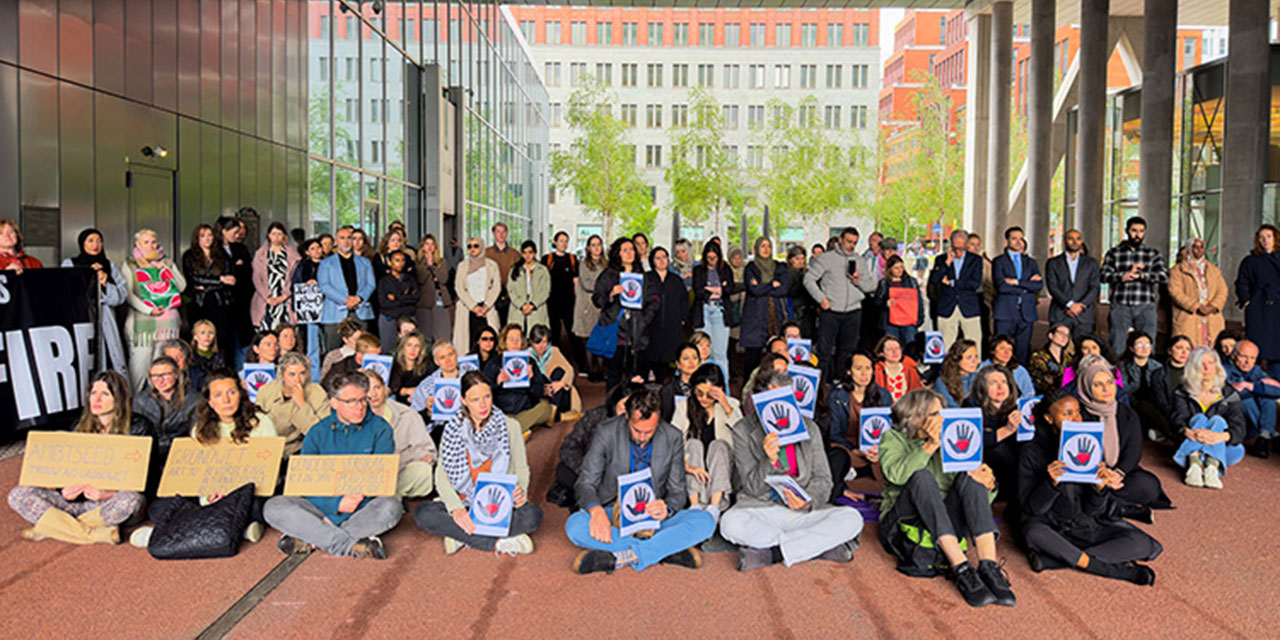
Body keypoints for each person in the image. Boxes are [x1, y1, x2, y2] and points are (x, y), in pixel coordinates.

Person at [878, 388, 1012, 608]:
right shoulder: (892, 438)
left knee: (970, 477)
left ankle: (989, 566)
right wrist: (930, 445)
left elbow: (973, 499)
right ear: (916, 416)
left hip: (943, 519)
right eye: (934, 414)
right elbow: (898, 475)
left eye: (942, 413)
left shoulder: (950, 442)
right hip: (903, 523)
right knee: (921, 477)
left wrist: (988, 484)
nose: (942, 419)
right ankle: (961, 567)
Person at [721, 369, 864, 570]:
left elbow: (824, 480)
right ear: (757, 400)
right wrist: (768, 460)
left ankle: (773, 553)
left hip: (800, 513)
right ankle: (818, 547)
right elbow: (751, 487)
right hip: (761, 508)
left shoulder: (809, 427)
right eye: (770, 399)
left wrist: (807, 502)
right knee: (730, 523)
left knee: (852, 518)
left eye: (785, 398)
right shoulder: (743, 429)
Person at [565, 388, 715, 574]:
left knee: (706, 520)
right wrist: (595, 511)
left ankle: (625, 555)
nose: (642, 437)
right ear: (627, 417)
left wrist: (666, 508)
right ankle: (663, 550)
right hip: (613, 512)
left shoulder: (672, 437)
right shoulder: (606, 431)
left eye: (649, 431)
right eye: (637, 430)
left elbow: (677, 492)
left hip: (652, 516)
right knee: (574, 526)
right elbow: (585, 482)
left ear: (658, 420)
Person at [1018, 391, 1160, 585]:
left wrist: (1099, 489)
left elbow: (1093, 510)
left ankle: (1059, 560)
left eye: (1077, 413)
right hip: (1051, 527)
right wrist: (1050, 483)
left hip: (1085, 526)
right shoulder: (1031, 452)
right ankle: (1111, 570)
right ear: (1049, 418)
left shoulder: (1089, 445)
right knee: (1033, 533)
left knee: (1144, 544)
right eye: (1067, 414)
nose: (1075, 419)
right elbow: (1032, 509)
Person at [132, 368, 278, 548]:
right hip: (211, 494)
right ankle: (239, 529)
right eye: (218, 395)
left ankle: (167, 532)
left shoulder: (261, 423)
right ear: (209, 401)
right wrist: (207, 497)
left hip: (246, 493)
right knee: (158, 508)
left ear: (240, 394)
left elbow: (267, 470)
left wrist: (230, 494)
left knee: (261, 507)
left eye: (231, 393)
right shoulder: (200, 429)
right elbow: (199, 473)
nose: (226, 400)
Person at [263, 371, 403, 559]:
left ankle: (315, 537)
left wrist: (337, 517)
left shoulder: (381, 429)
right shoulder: (317, 432)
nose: (360, 407)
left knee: (391, 506)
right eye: (351, 401)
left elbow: (379, 484)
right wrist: (336, 504)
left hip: (361, 506)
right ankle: (347, 543)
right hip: (321, 505)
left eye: (363, 400)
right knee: (273, 507)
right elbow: (306, 485)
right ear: (334, 403)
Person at [8, 371, 144, 544]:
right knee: (18, 494)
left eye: (105, 394)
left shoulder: (139, 427)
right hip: (76, 502)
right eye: (93, 393)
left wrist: (107, 494)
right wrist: (62, 490)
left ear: (118, 398)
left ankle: (51, 528)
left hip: (107, 503)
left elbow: (145, 479)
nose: (97, 400)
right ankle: (94, 534)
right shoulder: (78, 426)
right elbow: (63, 471)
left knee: (131, 500)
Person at [413, 371, 541, 554]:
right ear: (463, 400)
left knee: (533, 516)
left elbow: (521, 467)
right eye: (475, 400)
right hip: (464, 500)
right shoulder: (452, 428)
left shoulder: (510, 426)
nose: (483, 405)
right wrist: (456, 509)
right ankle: (497, 542)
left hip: (498, 503)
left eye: (487, 397)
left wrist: (520, 491)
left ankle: (461, 535)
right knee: (423, 513)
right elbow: (441, 476)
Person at [1072, 354, 1171, 513]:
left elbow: (1134, 450)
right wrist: (1101, 475)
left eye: (1110, 382)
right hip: (1090, 474)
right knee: (1075, 490)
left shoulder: (1126, 413)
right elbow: (1078, 454)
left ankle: (1109, 504)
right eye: (1098, 385)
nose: (1106, 389)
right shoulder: (1078, 415)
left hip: (1118, 472)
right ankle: (1118, 507)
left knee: (1149, 486)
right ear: (1086, 387)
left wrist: (1118, 473)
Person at [548, 382, 645, 509]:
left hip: (623, 475)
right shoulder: (595, 417)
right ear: (615, 403)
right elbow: (569, 446)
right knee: (564, 472)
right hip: (590, 469)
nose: (627, 413)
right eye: (623, 406)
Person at [804, 227, 877, 383]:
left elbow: (871, 287)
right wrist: (821, 299)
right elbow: (808, 279)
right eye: (849, 241)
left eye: (855, 243)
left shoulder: (860, 261)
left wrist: (858, 280)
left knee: (847, 352)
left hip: (853, 312)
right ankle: (823, 387)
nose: (851, 245)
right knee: (824, 352)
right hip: (830, 311)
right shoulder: (826, 258)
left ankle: (842, 385)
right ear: (840, 240)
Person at [670, 364, 741, 523]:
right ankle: (696, 505)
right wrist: (687, 465)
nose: (703, 399)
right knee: (693, 444)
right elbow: (673, 441)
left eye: (709, 395)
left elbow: (742, 435)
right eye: (699, 393)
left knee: (719, 445)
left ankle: (714, 507)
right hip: (694, 468)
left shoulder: (731, 405)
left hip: (722, 467)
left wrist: (724, 404)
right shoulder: (684, 406)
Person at [1171, 347, 1246, 490]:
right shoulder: (1182, 391)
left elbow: (1240, 427)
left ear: (1216, 366)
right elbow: (1176, 419)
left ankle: (1211, 466)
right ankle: (1195, 465)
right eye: (1201, 364)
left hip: (1221, 445)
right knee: (1198, 418)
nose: (1206, 368)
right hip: (1191, 441)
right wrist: (1186, 431)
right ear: (1193, 367)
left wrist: (1220, 436)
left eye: (1210, 363)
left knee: (1218, 421)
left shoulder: (1229, 393)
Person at [826, 352, 894, 504]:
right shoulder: (837, 396)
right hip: (848, 448)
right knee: (838, 458)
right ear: (849, 371)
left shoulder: (883, 395)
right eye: (858, 368)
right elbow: (835, 433)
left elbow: (890, 431)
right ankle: (853, 476)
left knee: (888, 470)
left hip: (875, 449)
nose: (864, 373)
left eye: (868, 368)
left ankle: (857, 476)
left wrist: (878, 450)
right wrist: (855, 450)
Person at [124, 229, 186, 390]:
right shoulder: (130, 265)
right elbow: (128, 294)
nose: (151, 246)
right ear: (137, 244)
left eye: (153, 242)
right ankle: (135, 403)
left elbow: (182, 286)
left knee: (162, 369)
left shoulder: (167, 262)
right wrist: (148, 310)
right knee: (139, 366)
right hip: (142, 326)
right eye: (146, 242)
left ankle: (159, 402)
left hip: (167, 325)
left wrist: (167, 270)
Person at [360, 370, 436, 499]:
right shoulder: (355, 415)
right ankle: (386, 497)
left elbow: (425, 448)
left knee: (424, 471)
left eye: (377, 387)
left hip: (399, 473)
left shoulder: (407, 414)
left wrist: (425, 457)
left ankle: (389, 496)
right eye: (367, 389)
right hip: (367, 475)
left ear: (385, 388)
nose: (373, 394)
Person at [1100, 217, 1168, 356]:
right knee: (1117, 345)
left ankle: (1147, 376)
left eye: (1141, 231)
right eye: (1134, 231)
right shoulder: (1114, 253)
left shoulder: (1152, 254)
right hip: (1120, 305)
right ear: (1126, 231)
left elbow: (1164, 276)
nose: (1137, 235)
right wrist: (1122, 276)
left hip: (1145, 305)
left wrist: (1142, 276)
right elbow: (1103, 276)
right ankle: (1118, 376)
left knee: (1148, 346)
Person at [133, 356, 201, 496]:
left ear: (176, 375)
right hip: (151, 458)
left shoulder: (194, 400)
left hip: (181, 457)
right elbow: (136, 438)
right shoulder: (140, 400)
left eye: (165, 375)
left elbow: (196, 436)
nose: (160, 380)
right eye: (155, 376)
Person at [64, 228, 129, 374]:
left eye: (99, 241)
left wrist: (105, 282)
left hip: (106, 320)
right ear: (82, 244)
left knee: (110, 359)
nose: (96, 245)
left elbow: (120, 297)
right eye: (91, 241)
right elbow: (66, 292)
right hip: (81, 319)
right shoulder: (71, 264)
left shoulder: (109, 266)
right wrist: (87, 276)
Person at [593, 237, 655, 390]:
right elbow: (597, 299)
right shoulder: (609, 275)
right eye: (625, 250)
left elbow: (654, 301)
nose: (629, 253)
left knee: (636, 377)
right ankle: (612, 410)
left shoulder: (643, 276)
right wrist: (611, 294)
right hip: (616, 333)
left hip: (637, 332)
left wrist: (644, 321)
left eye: (632, 249)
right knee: (614, 375)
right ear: (617, 254)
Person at [963, 365, 1023, 504]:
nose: (1000, 388)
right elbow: (973, 442)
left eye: (1004, 382)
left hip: (1014, 459)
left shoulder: (1017, 407)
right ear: (983, 387)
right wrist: (1007, 430)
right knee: (997, 450)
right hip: (986, 461)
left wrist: (992, 434)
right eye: (993, 383)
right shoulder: (971, 405)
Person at [255, 352, 331, 457]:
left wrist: (302, 404)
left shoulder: (317, 392)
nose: (298, 379)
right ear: (281, 375)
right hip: (270, 449)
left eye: (302, 373)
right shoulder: (266, 391)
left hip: (300, 449)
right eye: (292, 374)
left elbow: (322, 436)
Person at [483, 324, 554, 433]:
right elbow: (483, 393)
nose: (515, 342)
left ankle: (512, 430)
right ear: (504, 342)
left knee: (545, 408)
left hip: (525, 409)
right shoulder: (494, 363)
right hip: (503, 411)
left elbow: (539, 393)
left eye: (518, 338)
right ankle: (521, 429)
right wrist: (497, 383)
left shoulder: (529, 362)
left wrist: (531, 379)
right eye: (511, 339)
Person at [318, 226, 376, 354]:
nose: (346, 241)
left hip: (359, 310)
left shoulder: (365, 262)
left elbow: (371, 284)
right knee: (333, 352)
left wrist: (359, 298)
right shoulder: (326, 263)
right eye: (342, 238)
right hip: (334, 312)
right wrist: (345, 300)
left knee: (361, 350)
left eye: (349, 238)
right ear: (336, 241)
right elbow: (325, 286)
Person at [991, 227, 1042, 365]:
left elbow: (1038, 286)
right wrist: (1026, 286)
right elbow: (1001, 287)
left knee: (1022, 351)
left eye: (1021, 238)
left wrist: (1016, 282)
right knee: (1001, 351)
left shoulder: (1031, 262)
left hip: (1027, 313)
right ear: (1006, 241)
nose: (1018, 242)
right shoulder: (999, 261)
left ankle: (1020, 382)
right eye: (1014, 239)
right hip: (1005, 312)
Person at [929, 229, 984, 356]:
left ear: (966, 245)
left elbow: (975, 284)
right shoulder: (941, 259)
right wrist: (947, 263)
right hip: (947, 307)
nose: (958, 251)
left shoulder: (975, 260)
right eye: (955, 247)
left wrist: (953, 283)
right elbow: (934, 280)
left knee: (974, 343)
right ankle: (945, 373)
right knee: (945, 345)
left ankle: (974, 373)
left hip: (969, 307)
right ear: (951, 245)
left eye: (961, 248)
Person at [1235, 224, 1280, 377]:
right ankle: (1254, 381)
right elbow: (1241, 282)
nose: (1265, 240)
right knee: (1256, 347)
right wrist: (1247, 301)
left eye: (1269, 236)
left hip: (1278, 308)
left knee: (1277, 349)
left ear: (1275, 238)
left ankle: (1277, 386)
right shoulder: (1250, 261)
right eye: (1261, 237)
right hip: (1259, 308)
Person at [741, 237, 791, 373]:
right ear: (756, 248)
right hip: (754, 319)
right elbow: (753, 290)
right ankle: (749, 391)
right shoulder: (750, 268)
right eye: (762, 246)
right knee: (752, 360)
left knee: (777, 356)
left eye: (769, 246)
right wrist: (771, 285)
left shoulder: (780, 267)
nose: (766, 249)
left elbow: (784, 289)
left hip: (775, 317)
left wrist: (761, 287)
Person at [1225, 339, 1280, 458]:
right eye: (1244, 356)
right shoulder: (1224, 369)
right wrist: (1257, 388)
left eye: (1252, 358)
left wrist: (1251, 386)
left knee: (1268, 399)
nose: (1247, 362)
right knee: (1246, 399)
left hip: (1252, 427)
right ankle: (1269, 435)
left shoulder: (1256, 370)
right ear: (1234, 356)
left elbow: (1278, 391)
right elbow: (1227, 394)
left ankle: (1264, 437)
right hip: (1234, 425)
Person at [1169, 237, 1227, 347]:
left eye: (1202, 247)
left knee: (1211, 349)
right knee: (1187, 349)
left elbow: (1222, 291)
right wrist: (1196, 306)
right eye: (1195, 247)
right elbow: (1175, 292)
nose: (1199, 250)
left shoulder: (1214, 270)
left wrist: (1213, 306)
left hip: (1212, 316)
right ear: (1188, 249)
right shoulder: (1177, 271)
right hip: (1189, 317)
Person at [643, 246, 688, 384]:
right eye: (658, 258)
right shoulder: (647, 278)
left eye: (664, 257)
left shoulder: (676, 280)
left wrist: (682, 319)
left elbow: (684, 301)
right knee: (648, 358)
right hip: (650, 325)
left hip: (672, 325)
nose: (662, 261)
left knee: (667, 363)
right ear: (652, 261)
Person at [1044, 228, 1100, 340]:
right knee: (1059, 349)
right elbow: (1052, 287)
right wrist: (1069, 304)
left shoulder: (1091, 263)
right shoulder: (1053, 263)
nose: (1075, 242)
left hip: (1084, 315)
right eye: (1071, 239)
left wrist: (1081, 305)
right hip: (1061, 313)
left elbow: (1094, 287)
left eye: (1078, 239)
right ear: (1064, 241)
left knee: (1083, 349)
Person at [691, 241, 734, 385]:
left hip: (720, 311)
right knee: (702, 353)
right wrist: (720, 289)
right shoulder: (698, 269)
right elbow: (698, 291)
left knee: (720, 354)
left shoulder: (725, 268)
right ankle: (702, 387)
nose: (711, 261)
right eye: (709, 258)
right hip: (703, 311)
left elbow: (730, 289)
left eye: (714, 258)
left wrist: (711, 289)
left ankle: (724, 390)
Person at [1118, 333, 1175, 441]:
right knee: (1143, 405)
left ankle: (1161, 432)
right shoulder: (1123, 366)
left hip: (1154, 401)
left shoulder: (1158, 366)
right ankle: (1171, 433)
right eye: (1139, 345)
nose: (1144, 348)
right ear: (1131, 348)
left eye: (1147, 345)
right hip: (1132, 401)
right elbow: (1123, 390)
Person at [409, 339, 466, 443]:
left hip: (467, 428)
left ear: (456, 355)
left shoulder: (471, 378)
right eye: (442, 357)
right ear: (436, 361)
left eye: (450, 355)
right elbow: (414, 418)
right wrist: (428, 412)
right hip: (439, 433)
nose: (448, 360)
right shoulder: (426, 386)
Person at [216, 216, 255, 369]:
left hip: (241, 302)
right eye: (235, 231)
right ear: (224, 231)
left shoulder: (241, 248)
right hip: (222, 303)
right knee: (225, 341)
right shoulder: (215, 250)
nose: (237, 235)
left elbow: (247, 273)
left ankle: (242, 372)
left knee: (243, 340)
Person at [453, 235, 501, 353]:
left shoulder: (492, 265)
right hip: (468, 309)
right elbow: (459, 288)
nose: (472, 249)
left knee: (488, 341)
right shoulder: (462, 266)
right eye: (469, 246)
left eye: (476, 246)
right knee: (467, 343)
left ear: (482, 247)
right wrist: (473, 306)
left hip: (486, 310)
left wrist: (486, 306)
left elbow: (496, 287)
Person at [251, 222, 300, 334]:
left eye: (279, 234)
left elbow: (295, 276)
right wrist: (267, 297)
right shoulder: (260, 254)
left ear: (284, 235)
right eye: (273, 234)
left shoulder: (292, 253)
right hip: (266, 299)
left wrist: (284, 296)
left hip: (285, 298)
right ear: (268, 235)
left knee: (286, 332)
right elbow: (257, 277)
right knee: (266, 333)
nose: (276, 237)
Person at [528, 324, 583, 421]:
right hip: (539, 394)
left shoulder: (554, 351)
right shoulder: (526, 355)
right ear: (531, 342)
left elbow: (570, 370)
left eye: (544, 342)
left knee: (558, 372)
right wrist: (544, 389)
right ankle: (556, 416)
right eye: (538, 343)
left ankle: (553, 410)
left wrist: (561, 383)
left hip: (557, 392)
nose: (542, 346)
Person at [574, 234, 607, 382]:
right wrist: (603, 286)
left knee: (601, 338)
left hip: (602, 305)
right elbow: (587, 285)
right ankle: (590, 369)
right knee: (588, 338)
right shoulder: (583, 264)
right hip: (587, 304)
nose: (596, 248)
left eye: (598, 244)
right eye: (593, 245)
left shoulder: (607, 263)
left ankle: (600, 370)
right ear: (588, 248)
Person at [292, 238, 326, 379]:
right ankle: (314, 377)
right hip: (310, 311)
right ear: (307, 252)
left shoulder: (328, 264)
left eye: (319, 247)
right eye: (313, 248)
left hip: (327, 308)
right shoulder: (303, 266)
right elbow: (296, 287)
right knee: (311, 345)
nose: (317, 251)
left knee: (325, 343)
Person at [873, 255, 924, 348]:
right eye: (896, 268)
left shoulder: (912, 282)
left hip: (909, 322)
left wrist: (920, 319)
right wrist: (885, 303)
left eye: (901, 267)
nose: (900, 270)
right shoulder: (884, 283)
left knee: (910, 348)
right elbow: (876, 302)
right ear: (890, 269)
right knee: (891, 347)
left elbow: (918, 301)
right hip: (890, 323)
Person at [374, 250, 419, 351]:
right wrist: (405, 296)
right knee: (387, 349)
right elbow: (384, 303)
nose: (400, 263)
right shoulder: (383, 281)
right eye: (397, 260)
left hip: (408, 318)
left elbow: (415, 298)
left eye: (403, 260)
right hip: (389, 318)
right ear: (390, 262)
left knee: (410, 348)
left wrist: (396, 298)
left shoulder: (411, 280)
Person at [543, 231, 579, 355]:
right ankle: (553, 359)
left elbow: (576, 281)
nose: (564, 244)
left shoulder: (572, 259)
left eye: (566, 241)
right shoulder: (547, 259)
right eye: (561, 241)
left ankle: (580, 363)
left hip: (569, 302)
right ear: (555, 242)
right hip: (552, 302)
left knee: (572, 332)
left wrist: (577, 300)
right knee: (554, 332)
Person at [414, 233, 453, 344]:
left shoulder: (442, 262)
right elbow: (421, 279)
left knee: (442, 332)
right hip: (424, 301)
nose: (430, 247)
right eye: (427, 244)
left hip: (440, 298)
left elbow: (443, 279)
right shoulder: (418, 262)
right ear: (422, 246)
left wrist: (433, 267)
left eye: (432, 244)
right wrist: (428, 265)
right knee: (425, 335)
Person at [508, 240, 550, 334]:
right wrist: (521, 305)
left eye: (530, 252)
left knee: (536, 336)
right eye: (524, 253)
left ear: (535, 253)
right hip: (518, 309)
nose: (527, 255)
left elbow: (545, 290)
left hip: (537, 309)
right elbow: (511, 290)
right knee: (517, 336)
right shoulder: (515, 269)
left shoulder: (542, 270)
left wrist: (533, 304)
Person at [486, 222, 521, 325]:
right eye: (498, 232)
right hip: (492, 296)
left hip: (510, 296)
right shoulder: (486, 253)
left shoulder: (515, 254)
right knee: (493, 325)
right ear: (493, 234)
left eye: (503, 232)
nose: (501, 234)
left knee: (509, 325)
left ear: (507, 234)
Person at [981, 335, 1035, 400]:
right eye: (1002, 348)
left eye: (1010, 349)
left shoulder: (1019, 370)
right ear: (993, 351)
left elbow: (1029, 394)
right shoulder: (982, 368)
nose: (1007, 352)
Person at [874, 335, 923, 402]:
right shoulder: (877, 370)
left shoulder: (910, 369)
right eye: (889, 349)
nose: (895, 351)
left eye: (897, 348)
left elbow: (918, 393)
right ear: (881, 353)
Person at [661, 343, 702, 422]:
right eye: (686, 359)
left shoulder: (705, 386)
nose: (691, 362)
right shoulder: (669, 390)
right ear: (678, 364)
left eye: (695, 358)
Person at [1028, 323, 1075, 394]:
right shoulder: (1038, 356)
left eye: (1067, 335)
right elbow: (1043, 380)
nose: (1064, 337)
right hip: (1041, 395)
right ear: (1051, 335)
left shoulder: (1069, 358)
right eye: (1061, 333)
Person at [934, 339, 980, 408]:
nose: (975, 361)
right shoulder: (943, 382)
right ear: (957, 360)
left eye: (976, 356)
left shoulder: (979, 378)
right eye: (969, 357)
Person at [388, 331, 431, 404]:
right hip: (397, 405)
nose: (412, 349)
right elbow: (392, 389)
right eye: (409, 345)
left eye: (416, 346)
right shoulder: (394, 366)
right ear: (403, 347)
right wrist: (408, 391)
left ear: (420, 350)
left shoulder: (426, 366)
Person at [786, 246, 818, 338]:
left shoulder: (803, 272)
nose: (800, 261)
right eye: (797, 259)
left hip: (805, 310)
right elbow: (790, 291)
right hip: (797, 310)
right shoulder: (791, 273)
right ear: (791, 260)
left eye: (802, 258)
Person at [190, 319, 225, 392]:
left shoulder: (219, 356)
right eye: (202, 333)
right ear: (195, 336)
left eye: (211, 333)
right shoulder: (190, 357)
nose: (207, 336)